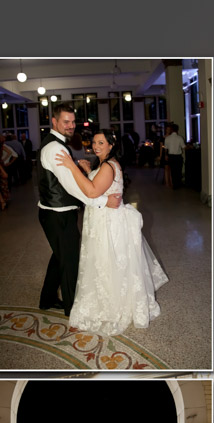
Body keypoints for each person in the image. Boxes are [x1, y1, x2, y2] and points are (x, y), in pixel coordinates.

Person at [52, 130, 169, 335]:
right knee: (103, 262)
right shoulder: (103, 164)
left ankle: (113, 305)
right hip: (100, 219)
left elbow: (92, 192)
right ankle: (107, 299)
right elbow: (97, 187)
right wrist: (88, 171)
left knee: (107, 261)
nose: (96, 146)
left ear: (111, 145)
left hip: (107, 223)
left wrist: (72, 167)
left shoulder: (108, 166)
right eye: (94, 142)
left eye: (101, 143)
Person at [37, 105, 123, 316]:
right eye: (66, 121)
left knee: (60, 257)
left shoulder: (55, 145)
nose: (71, 126)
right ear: (54, 122)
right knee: (70, 261)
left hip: (54, 211)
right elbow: (72, 187)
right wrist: (103, 201)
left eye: (73, 122)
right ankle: (72, 309)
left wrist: (82, 170)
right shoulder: (56, 149)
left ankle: (47, 299)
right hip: (58, 214)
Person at [163, 123, 185, 189]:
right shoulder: (180, 138)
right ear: (177, 130)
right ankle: (178, 184)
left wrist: (166, 156)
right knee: (178, 171)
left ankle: (174, 184)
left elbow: (165, 149)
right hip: (178, 156)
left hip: (171, 157)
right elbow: (183, 147)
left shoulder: (167, 138)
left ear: (171, 130)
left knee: (173, 171)